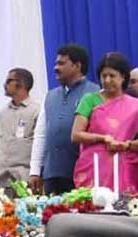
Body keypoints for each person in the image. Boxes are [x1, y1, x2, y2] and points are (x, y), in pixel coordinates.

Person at [72, 52, 138, 194]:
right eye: (103, 76)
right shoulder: (90, 100)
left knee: (124, 208)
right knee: (94, 206)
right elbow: (76, 135)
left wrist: (126, 145)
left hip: (124, 167)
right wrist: (103, 138)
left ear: (123, 77)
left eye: (112, 76)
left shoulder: (136, 106)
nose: (107, 80)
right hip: (94, 166)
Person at [30, 45, 100, 195]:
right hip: (52, 174)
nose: (55, 68)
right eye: (56, 63)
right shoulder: (49, 96)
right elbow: (41, 135)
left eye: (61, 64)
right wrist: (35, 170)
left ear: (77, 66)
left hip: (84, 173)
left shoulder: (95, 94)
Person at [0, 68, 40, 188]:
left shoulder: (36, 110)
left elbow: (41, 145)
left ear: (22, 84)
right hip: (2, 179)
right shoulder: (3, 112)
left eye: (9, 81)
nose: (5, 84)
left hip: (26, 178)